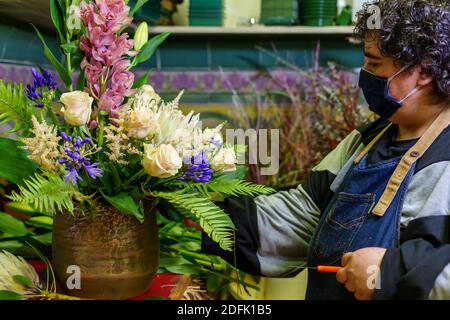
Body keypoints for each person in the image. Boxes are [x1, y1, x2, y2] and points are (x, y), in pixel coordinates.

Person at [200, 0, 450, 300]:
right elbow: (298, 219)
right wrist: (201, 215)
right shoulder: (363, 143)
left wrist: (385, 273)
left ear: (422, 70)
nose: (364, 73)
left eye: (373, 63)